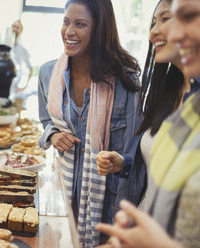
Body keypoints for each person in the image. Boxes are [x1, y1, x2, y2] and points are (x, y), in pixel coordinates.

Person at [37, 0, 142, 246]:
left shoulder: (125, 79)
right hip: (62, 195)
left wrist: (118, 162)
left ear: (99, 29)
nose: (69, 32)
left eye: (80, 24)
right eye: (66, 22)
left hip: (107, 204)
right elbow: (46, 121)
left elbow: (134, 153)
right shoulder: (47, 74)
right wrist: (52, 135)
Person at [97, 0, 200, 247]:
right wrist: (125, 163)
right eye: (154, 22)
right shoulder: (174, 96)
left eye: (167, 19)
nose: (155, 31)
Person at [9, 20, 34, 101]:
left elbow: (31, 69)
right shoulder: (4, 45)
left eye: (17, 27)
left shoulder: (23, 49)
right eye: (13, 26)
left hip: (15, 84)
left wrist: (24, 86)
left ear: (20, 31)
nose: (14, 29)